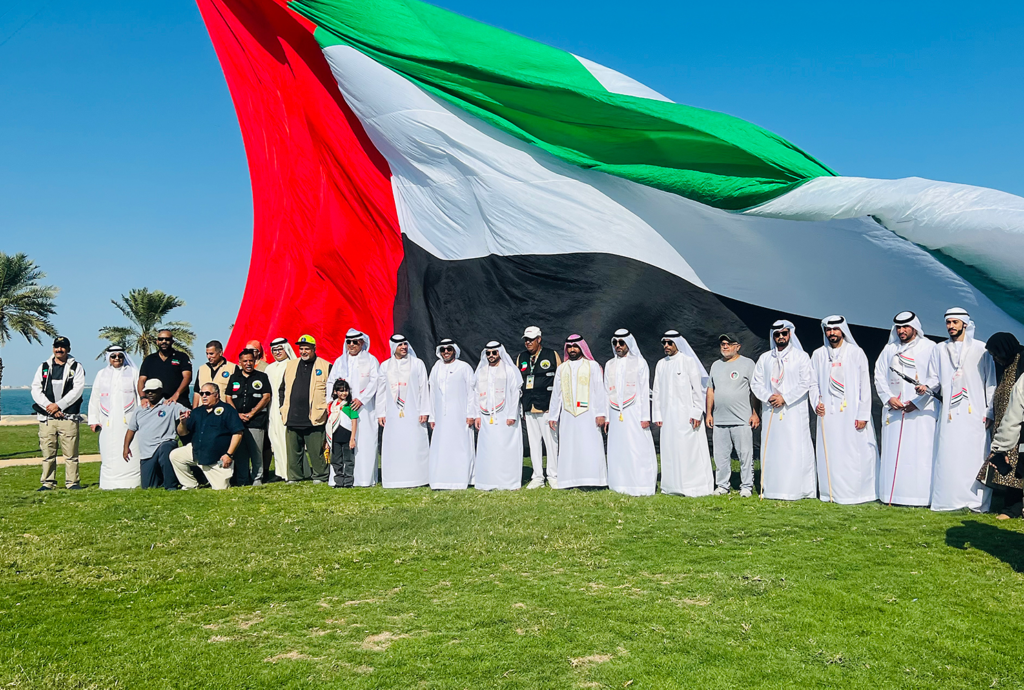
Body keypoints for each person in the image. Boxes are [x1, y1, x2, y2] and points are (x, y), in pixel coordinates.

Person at [924, 308, 996, 512]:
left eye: (955, 322)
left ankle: (975, 501)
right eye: (948, 323)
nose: (950, 327)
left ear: (965, 324)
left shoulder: (981, 349)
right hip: (950, 414)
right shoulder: (939, 349)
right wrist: (926, 388)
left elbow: (990, 382)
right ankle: (948, 499)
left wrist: (989, 411)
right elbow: (934, 379)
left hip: (975, 413)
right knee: (949, 454)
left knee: (974, 455)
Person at [808, 316, 879, 504]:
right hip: (828, 414)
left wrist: (863, 414)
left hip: (852, 413)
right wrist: (816, 402)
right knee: (831, 452)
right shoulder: (818, 355)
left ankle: (858, 493)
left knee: (854, 452)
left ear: (843, 331)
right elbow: (812, 383)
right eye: (828, 330)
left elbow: (865, 385)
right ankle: (830, 492)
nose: (832, 333)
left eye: (835, 329)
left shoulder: (856, 352)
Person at [873, 311, 939, 507]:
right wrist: (888, 398)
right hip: (894, 409)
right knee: (894, 452)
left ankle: (919, 498)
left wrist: (916, 403)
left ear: (915, 328)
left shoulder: (930, 347)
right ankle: (891, 496)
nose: (901, 331)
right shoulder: (889, 349)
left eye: (905, 327)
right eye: (898, 327)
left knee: (919, 452)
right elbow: (879, 375)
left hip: (921, 411)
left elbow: (935, 378)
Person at [751, 320, 816, 500]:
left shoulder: (801, 357)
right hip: (771, 410)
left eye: (784, 334)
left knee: (794, 448)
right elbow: (755, 383)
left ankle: (797, 489)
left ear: (790, 335)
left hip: (793, 411)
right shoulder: (765, 358)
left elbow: (806, 382)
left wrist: (784, 397)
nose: (780, 337)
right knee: (773, 449)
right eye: (777, 334)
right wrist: (768, 396)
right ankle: (772, 488)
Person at [653, 330, 714, 497]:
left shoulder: (688, 362)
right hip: (667, 417)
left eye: (669, 343)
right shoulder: (661, 364)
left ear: (677, 344)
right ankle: (671, 486)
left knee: (689, 450)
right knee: (670, 449)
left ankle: (694, 487)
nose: (666, 346)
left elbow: (698, 390)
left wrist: (696, 412)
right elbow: (657, 391)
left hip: (687, 416)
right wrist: (657, 414)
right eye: (664, 343)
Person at [547, 335, 607, 489]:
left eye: (575, 346)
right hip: (568, 415)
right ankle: (570, 480)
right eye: (569, 347)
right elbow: (556, 394)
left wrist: (601, 413)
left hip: (589, 414)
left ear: (582, 347)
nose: (572, 350)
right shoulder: (562, 368)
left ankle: (593, 480)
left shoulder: (592, 366)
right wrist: (553, 415)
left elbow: (600, 391)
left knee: (589, 444)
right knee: (570, 446)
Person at [604, 329, 657, 496]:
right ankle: (619, 484)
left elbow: (643, 391)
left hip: (634, 411)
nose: (618, 346)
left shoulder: (640, 363)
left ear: (629, 343)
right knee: (618, 448)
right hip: (614, 412)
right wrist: (606, 417)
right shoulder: (609, 364)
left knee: (637, 446)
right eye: (615, 343)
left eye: (621, 343)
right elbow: (606, 392)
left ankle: (641, 485)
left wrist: (645, 416)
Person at [706, 333, 760, 497]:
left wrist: (755, 414)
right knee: (720, 456)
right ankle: (722, 486)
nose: (725, 346)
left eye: (729, 343)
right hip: (720, 419)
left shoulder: (748, 364)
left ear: (738, 347)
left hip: (742, 419)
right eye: (723, 343)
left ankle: (746, 486)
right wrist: (709, 413)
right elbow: (710, 390)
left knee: (745, 455)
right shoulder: (716, 365)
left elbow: (755, 391)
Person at [30, 336, 86, 491]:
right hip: (47, 418)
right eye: (56, 346)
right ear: (53, 348)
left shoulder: (76, 367)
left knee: (71, 454)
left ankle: (72, 482)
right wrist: (49, 407)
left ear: (68, 349)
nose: (59, 350)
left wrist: (59, 406)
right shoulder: (44, 367)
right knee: (48, 453)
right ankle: (47, 483)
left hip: (68, 418)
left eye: (62, 347)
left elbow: (77, 390)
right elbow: (36, 389)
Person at [326, 328, 380, 487]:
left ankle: (364, 479)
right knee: (341, 442)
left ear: (362, 342)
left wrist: (362, 399)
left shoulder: (371, 360)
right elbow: (331, 382)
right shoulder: (339, 361)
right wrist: (333, 402)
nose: (351, 345)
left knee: (365, 441)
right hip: (342, 410)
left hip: (364, 409)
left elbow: (375, 381)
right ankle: (341, 478)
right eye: (348, 342)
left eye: (355, 342)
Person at [979, 333, 1024, 518]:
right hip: (1008, 423)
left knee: (1016, 467)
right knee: (1011, 468)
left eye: (996, 354)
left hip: (1018, 425)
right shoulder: (1006, 366)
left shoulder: (1022, 360)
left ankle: (1013, 508)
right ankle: (1012, 508)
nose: (995, 359)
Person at [376, 335, 431, 488]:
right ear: (394, 347)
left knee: (414, 443)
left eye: (405, 344)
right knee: (395, 444)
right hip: (392, 414)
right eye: (400, 345)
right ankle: (395, 479)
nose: (404, 347)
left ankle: (418, 478)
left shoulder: (417, 364)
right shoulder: (385, 366)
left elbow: (423, 388)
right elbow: (380, 391)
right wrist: (380, 412)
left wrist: (425, 410)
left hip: (414, 412)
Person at [169, 383, 244, 490]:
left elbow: (238, 433)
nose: (204, 396)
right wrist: (183, 423)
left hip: (217, 458)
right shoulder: (197, 412)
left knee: (221, 489)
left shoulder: (228, 410)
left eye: (207, 393)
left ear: (217, 395)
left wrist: (229, 454)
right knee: (175, 455)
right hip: (197, 452)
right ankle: (190, 484)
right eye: (201, 393)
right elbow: (182, 433)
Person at [280, 335, 331, 483]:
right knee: (293, 451)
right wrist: (282, 407)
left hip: (315, 415)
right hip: (292, 415)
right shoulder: (290, 365)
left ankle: (320, 476)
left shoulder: (325, 366)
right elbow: (282, 389)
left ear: (314, 349)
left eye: (307, 348)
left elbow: (331, 391)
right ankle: (294, 477)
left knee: (316, 451)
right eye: (301, 349)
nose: (303, 351)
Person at [88, 345, 141, 489]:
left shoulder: (133, 372)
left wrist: (142, 418)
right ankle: (109, 483)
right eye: (113, 356)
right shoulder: (101, 374)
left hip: (129, 421)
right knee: (109, 450)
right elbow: (95, 398)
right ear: (108, 358)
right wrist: (94, 420)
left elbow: (140, 396)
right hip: (108, 422)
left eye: (120, 356)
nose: (117, 358)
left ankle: (132, 482)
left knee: (132, 448)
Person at [474, 341, 524, 491]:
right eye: (488, 353)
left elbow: (515, 393)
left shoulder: (509, 370)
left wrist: (512, 414)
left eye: (494, 353)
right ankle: (487, 481)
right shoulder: (481, 371)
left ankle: (508, 482)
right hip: (485, 417)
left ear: (500, 353)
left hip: (506, 417)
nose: (491, 356)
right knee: (488, 449)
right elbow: (476, 394)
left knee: (505, 448)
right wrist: (477, 415)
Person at [515, 326, 561, 488]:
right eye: (526, 340)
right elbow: (518, 384)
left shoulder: (551, 355)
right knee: (534, 443)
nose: (528, 343)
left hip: (547, 406)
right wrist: (521, 408)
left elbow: (559, 382)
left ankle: (553, 475)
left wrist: (555, 407)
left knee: (551, 442)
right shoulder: (521, 357)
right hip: (529, 406)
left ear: (539, 339)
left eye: (531, 340)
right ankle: (537, 477)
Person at [427, 338, 475, 490]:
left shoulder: (464, 367)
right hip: (441, 417)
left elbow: (472, 392)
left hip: (461, 416)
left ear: (454, 350)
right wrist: (432, 416)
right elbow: (432, 393)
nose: (446, 352)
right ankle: (440, 480)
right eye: (443, 349)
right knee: (441, 446)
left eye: (449, 349)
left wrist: (471, 414)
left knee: (461, 446)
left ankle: (463, 479)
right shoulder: (436, 368)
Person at [124, 379, 186, 490]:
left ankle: (170, 485)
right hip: (147, 452)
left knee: (166, 449)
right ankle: (160, 479)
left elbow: (188, 413)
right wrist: (126, 447)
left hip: (165, 444)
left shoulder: (170, 406)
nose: (150, 393)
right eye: (148, 391)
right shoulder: (139, 410)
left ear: (160, 391)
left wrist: (185, 417)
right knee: (147, 487)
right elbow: (131, 430)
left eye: (154, 391)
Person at [226, 349, 272, 485]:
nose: (248, 363)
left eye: (250, 361)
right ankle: (242, 479)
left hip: (256, 421)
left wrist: (252, 413)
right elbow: (228, 397)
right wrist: (237, 415)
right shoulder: (234, 377)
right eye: (245, 361)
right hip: (238, 422)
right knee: (240, 452)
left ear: (254, 361)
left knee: (256, 451)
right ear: (240, 362)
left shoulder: (262, 377)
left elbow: (266, 396)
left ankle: (257, 478)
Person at [137, 330, 193, 409]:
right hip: (155, 405)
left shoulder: (181, 357)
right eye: (161, 339)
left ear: (172, 341)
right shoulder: (149, 359)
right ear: (157, 341)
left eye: (167, 339)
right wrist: (143, 398)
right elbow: (141, 380)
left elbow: (187, 377)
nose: (164, 341)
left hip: (178, 402)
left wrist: (176, 394)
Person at [265, 337, 295, 480]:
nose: (277, 352)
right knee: (275, 439)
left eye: (280, 349)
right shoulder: (269, 368)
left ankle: (291, 471)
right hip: (272, 409)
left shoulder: (292, 365)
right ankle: (279, 472)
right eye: (274, 350)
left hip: (287, 407)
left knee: (286, 439)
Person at [327, 379, 360, 488]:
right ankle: (339, 482)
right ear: (335, 392)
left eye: (346, 390)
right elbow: (328, 423)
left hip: (347, 436)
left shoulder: (350, 405)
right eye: (340, 391)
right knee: (336, 461)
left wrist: (352, 438)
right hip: (335, 437)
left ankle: (348, 482)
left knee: (349, 460)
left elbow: (354, 422)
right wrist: (327, 440)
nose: (343, 393)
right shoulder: (331, 406)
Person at [192, 340, 237, 408]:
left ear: (220, 353)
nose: (208, 357)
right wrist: (194, 411)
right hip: (204, 411)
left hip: (223, 410)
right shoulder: (202, 369)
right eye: (207, 354)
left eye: (211, 354)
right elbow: (197, 392)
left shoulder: (233, 368)